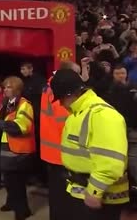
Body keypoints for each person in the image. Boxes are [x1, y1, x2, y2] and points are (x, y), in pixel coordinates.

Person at [50, 69, 129, 220]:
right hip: (81, 189)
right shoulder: (78, 113)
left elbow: (110, 163)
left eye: (60, 98)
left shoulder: (102, 115)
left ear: (69, 94)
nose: (60, 103)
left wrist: (94, 192)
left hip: (101, 197)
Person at [39, 61, 81, 220]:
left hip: (51, 149)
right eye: (76, 74)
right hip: (61, 151)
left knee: (56, 194)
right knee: (63, 196)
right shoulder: (59, 89)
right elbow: (67, 120)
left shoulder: (48, 85)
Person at [0, 76, 35, 220]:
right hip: (7, 149)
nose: (5, 89)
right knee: (9, 180)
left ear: (17, 89)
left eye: (9, 87)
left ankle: (22, 210)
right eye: (5, 87)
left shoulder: (25, 105)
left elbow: (21, 127)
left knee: (17, 182)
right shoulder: (6, 103)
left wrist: (0, 123)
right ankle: (11, 202)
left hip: (19, 151)